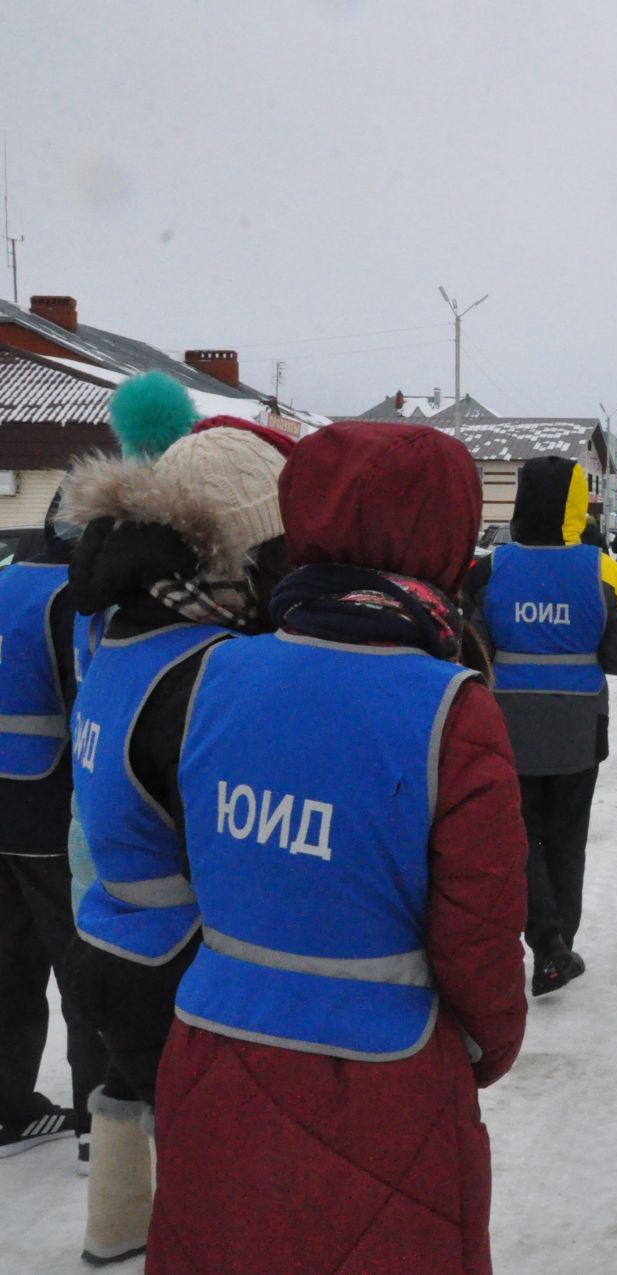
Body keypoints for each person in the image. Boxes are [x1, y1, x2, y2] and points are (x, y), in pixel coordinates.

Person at [146, 421, 529, 1274]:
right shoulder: (453, 711)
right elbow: (480, 936)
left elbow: (197, 851)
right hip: (380, 1086)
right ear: (449, 536)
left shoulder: (213, 674)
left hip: (212, 1053)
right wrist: (487, 1046)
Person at [60, 415, 295, 1265]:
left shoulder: (116, 630)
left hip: (107, 933)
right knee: (213, 1149)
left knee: (128, 1087)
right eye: (277, 547)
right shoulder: (208, 668)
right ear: (233, 548)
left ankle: (115, 1226)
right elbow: (229, 841)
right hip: (176, 955)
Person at [464, 458, 617, 996]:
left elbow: (470, 653)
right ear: (575, 505)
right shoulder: (601, 570)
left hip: (505, 729)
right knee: (566, 840)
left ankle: (547, 943)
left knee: (518, 836)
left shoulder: (490, 570)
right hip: (578, 730)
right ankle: (557, 946)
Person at [0, 484, 109, 1167]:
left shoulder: (7, 580)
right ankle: (98, 1119)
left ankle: (7, 1106)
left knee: (6, 963)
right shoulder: (71, 596)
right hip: (46, 802)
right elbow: (88, 706)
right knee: (82, 965)